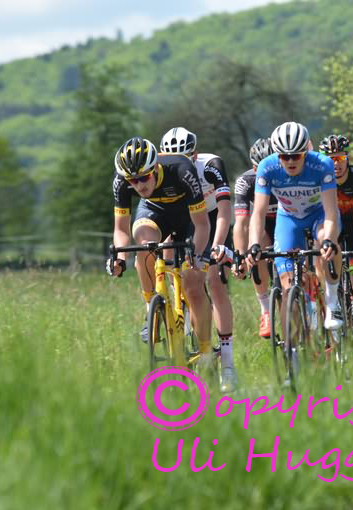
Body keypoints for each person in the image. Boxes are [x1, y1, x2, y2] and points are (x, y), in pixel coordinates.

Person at [107, 137, 212, 365]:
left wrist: (194, 254)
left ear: (155, 168)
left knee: (193, 283)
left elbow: (203, 225)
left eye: (143, 178)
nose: (138, 186)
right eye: (132, 181)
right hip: (154, 211)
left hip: (188, 217)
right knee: (144, 245)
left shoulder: (182, 169)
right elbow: (121, 229)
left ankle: (206, 351)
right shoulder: (121, 180)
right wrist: (120, 259)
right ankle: (151, 310)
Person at [247, 121, 342, 338]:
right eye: (284, 156)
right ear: (277, 154)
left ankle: (332, 301)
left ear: (305, 153)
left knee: (326, 241)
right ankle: (292, 348)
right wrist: (254, 244)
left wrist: (329, 239)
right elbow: (258, 213)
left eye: (296, 156)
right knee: (287, 287)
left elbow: (330, 212)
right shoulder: (267, 167)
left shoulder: (322, 164)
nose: (290, 161)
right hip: (289, 218)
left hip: (319, 215)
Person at [160, 127, 237, 392]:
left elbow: (224, 212)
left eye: (185, 158)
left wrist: (217, 247)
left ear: (195, 154)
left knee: (213, 282)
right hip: (186, 220)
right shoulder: (164, 172)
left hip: (213, 220)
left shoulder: (211, 166)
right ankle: (177, 315)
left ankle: (227, 363)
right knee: (174, 269)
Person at [319, 134, 353, 362]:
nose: (336, 164)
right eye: (331, 159)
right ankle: (330, 336)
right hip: (333, 228)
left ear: (347, 157)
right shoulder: (320, 178)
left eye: (340, 158)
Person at [233, 137, 278, 338]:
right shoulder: (246, 181)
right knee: (255, 248)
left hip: (289, 220)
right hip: (263, 225)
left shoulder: (289, 174)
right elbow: (241, 223)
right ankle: (265, 310)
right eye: (261, 169)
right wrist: (240, 257)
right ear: (253, 168)